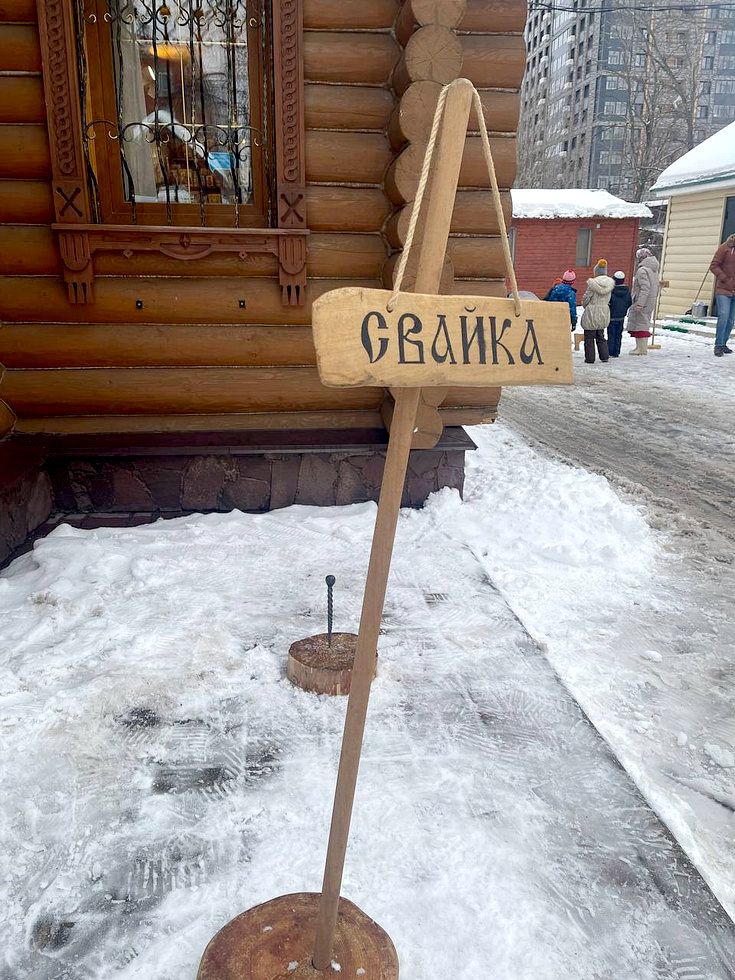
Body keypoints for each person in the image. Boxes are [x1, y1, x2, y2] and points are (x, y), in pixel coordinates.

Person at [627, 248, 660, 355]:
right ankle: (641, 348)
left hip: (643, 300)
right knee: (644, 323)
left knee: (640, 324)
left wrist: (640, 303)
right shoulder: (653, 270)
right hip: (651, 300)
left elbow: (645, 288)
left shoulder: (642, 270)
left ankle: (641, 349)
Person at [709, 233, 735, 357]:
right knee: (724, 315)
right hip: (724, 289)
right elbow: (713, 265)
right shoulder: (725, 248)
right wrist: (725, 279)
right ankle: (718, 345)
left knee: (731, 319)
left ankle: (724, 343)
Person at [580, 274, 614, 363]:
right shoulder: (609, 285)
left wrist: (586, 306)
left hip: (591, 311)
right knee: (601, 335)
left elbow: (586, 298)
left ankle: (590, 358)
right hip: (603, 311)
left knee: (589, 337)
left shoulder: (592, 285)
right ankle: (604, 356)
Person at [608, 271, 632, 357]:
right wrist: (624, 310)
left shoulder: (611, 290)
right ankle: (616, 352)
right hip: (621, 317)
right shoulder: (627, 291)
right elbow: (629, 302)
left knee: (611, 334)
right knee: (618, 334)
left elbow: (608, 302)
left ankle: (610, 351)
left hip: (611, 316)